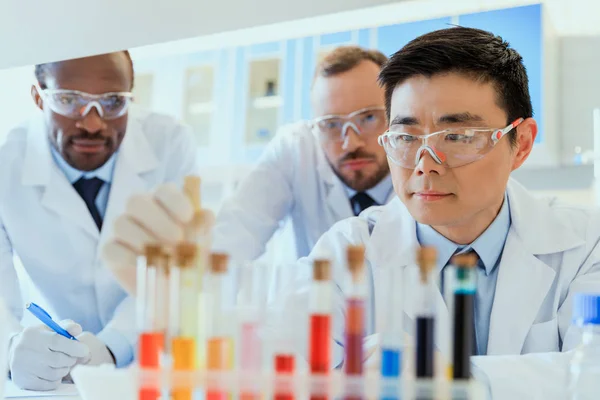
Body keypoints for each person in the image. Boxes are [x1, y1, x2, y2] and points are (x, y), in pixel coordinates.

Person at [103, 28, 599, 399]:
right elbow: (281, 362)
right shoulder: (349, 250)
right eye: (405, 138)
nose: (424, 165)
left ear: (522, 143)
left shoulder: (585, 244)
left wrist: (452, 381)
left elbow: (593, 373)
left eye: (457, 136)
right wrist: (180, 308)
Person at [102, 46, 394, 289]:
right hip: (320, 334)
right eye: (331, 124)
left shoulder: (419, 159)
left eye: (368, 118)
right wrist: (188, 276)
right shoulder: (296, 149)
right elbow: (239, 229)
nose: (351, 142)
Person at [0, 51, 197, 390]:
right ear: (38, 97)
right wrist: (10, 348)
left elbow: (177, 271)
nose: (92, 123)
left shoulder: (168, 143)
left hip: (151, 360)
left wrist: (110, 345)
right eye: (68, 100)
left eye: (112, 102)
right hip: (54, 373)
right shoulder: (7, 163)